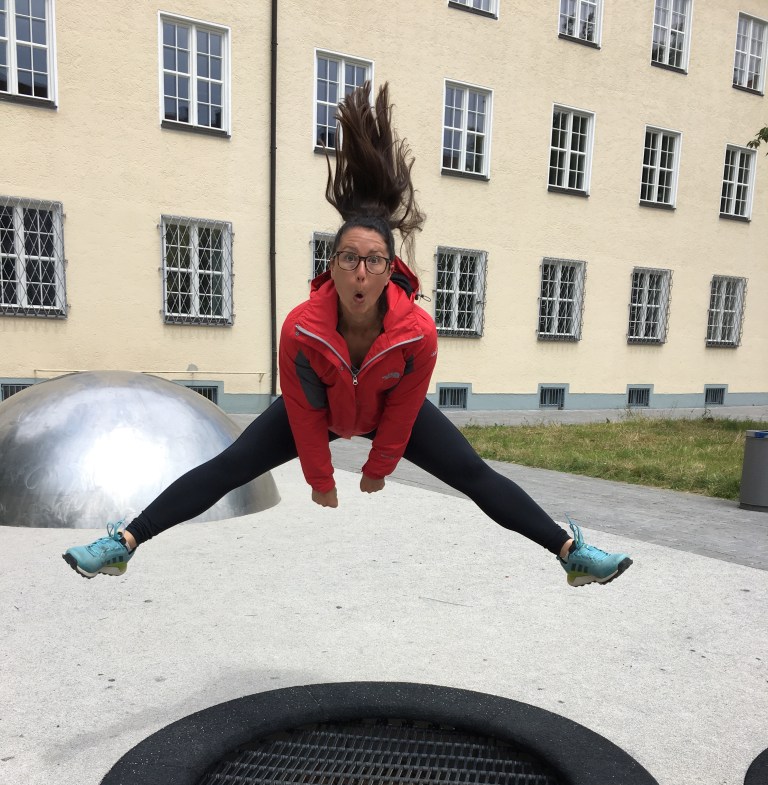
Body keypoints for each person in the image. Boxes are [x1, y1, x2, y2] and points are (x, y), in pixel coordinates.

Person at [63, 83, 632, 589]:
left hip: (387, 412)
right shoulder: (303, 330)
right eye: (349, 258)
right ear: (331, 265)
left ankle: (569, 552)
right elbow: (307, 416)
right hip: (321, 408)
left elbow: (406, 410)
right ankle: (124, 544)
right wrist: (320, 479)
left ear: (390, 270)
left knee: (473, 474)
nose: (361, 272)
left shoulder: (416, 335)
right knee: (228, 466)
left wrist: (379, 467)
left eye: (374, 261)